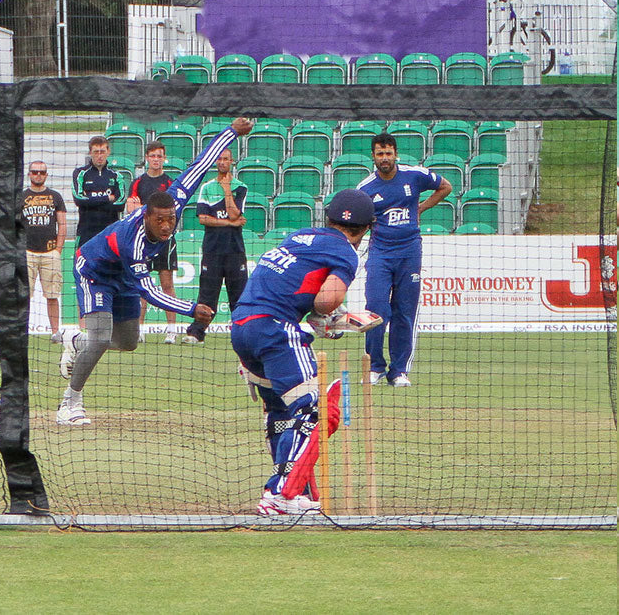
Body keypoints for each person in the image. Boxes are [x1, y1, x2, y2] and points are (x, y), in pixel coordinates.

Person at [56, 117, 254, 426]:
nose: (166, 226)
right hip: (94, 271)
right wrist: (191, 309)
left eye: (170, 221)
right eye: (159, 221)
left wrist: (231, 132)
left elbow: (199, 167)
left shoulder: (173, 201)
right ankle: (70, 403)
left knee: (128, 342)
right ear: (146, 215)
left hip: (121, 276)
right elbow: (149, 292)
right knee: (99, 337)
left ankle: (74, 341)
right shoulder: (133, 240)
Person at [231, 189, 375, 515]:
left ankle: (300, 496)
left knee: (281, 412)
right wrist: (332, 318)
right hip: (275, 329)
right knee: (314, 411)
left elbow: (296, 286)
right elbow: (326, 300)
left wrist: (319, 317)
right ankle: (281, 493)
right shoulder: (346, 252)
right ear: (366, 229)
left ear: (328, 218)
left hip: (242, 326)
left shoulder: (301, 236)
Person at [356, 132, 452, 387]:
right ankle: (375, 367)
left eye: (389, 153)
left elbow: (446, 186)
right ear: (373, 156)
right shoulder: (365, 189)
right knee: (376, 309)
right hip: (380, 254)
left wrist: (421, 207)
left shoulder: (414, 175)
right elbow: (357, 221)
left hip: (410, 252)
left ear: (395, 154)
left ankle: (399, 371)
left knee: (404, 312)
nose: (385, 158)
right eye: (380, 154)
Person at [184, 147, 248, 345]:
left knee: (239, 295)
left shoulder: (240, 187)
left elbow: (235, 214)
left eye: (226, 159)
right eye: (219, 159)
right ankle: (197, 333)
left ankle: (244, 335)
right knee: (207, 294)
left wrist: (227, 190)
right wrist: (229, 223)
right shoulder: (207, 187)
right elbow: (203, 218)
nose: (222, 162)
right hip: (212, 249)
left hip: (235, 250)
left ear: (232, 161)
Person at [125, 140, 180, 344]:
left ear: (164, 158)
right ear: (147, 158)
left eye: (159, 156)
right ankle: (139, 329)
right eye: (153, 156)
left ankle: (172, 330)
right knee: (142, 284)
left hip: (165, 240)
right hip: (143, 241)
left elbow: (174, 211)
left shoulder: (170, 183)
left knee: (167, 284)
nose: (156, 160)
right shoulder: (138, 183)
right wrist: (139, 210)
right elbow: (131, 210)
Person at [21, 160, 68, 343]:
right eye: (35, 172)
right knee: (24, 296)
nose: (38, 175)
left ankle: (55, 331)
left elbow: (62, 224)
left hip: (50, 252)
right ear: (29, 174)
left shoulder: (55, 196)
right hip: (27, 251)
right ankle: (22, 331)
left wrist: (58, 249)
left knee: (52, 295)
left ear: (46, 175)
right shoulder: (21, 197)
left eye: (41, 172)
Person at [71, 135, 123, 247]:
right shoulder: (80, 173)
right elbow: (79, 200)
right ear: (90, 153)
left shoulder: (116, 175)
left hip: (110, 232)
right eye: (96, 152)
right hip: (86, 233)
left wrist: (90, 201)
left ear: (108, 152)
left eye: (102, 152)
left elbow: (120, 205)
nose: (99, 156)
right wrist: (107, 199)